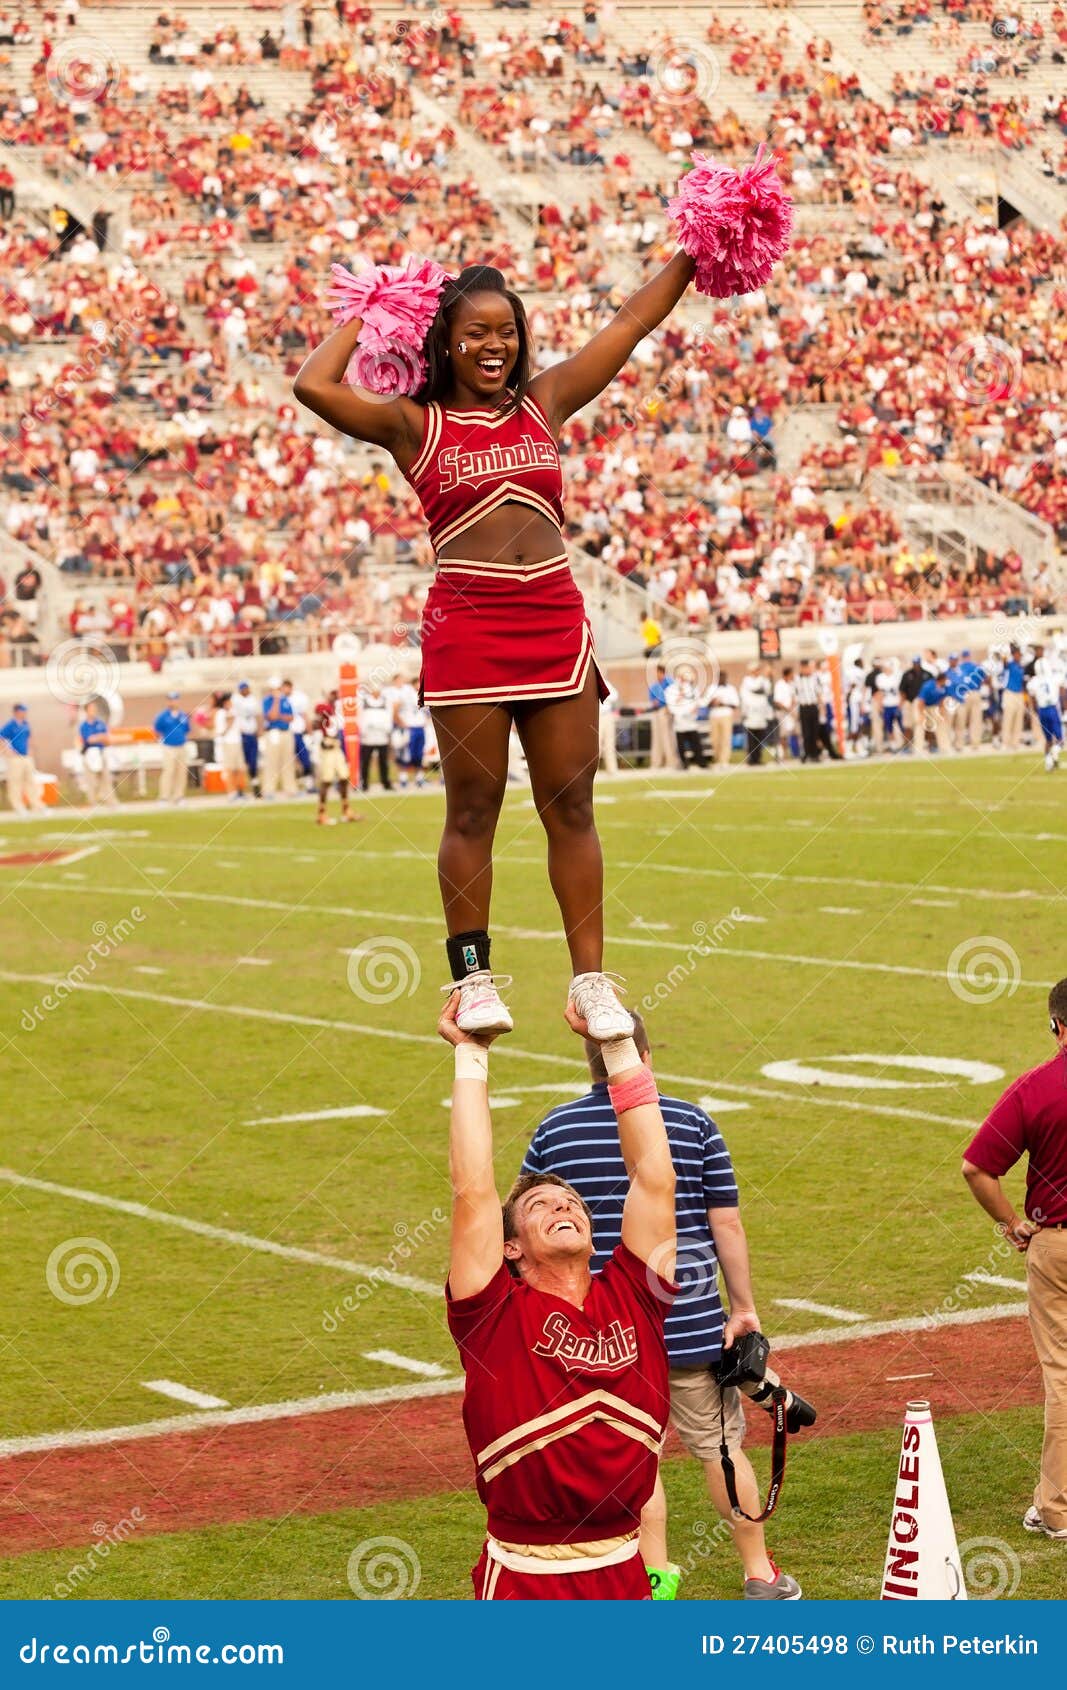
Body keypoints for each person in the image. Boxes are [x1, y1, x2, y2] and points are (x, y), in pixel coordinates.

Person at [294, 253, 697, 1039]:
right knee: (473, 809)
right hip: (468, 631)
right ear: (442, 340)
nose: (494, 346)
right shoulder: (412, 423)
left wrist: (689, 252)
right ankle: (473, 978)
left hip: (553, 621)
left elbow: (629, 323)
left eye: (506, 331)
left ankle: (590, 984)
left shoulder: (543, 403)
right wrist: (377, 308)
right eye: (475, 332)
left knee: (572, 806)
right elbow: (313, 386)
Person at [522, 1013, 802, 1601]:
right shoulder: (691, 1120)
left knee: (633, 1458)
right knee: (721, 1450)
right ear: (643, 1055)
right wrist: (744, 1307)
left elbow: (525, 1227)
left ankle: (654, 1581)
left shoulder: (556, 1127)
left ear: (589, 1063)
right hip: (690, 1316)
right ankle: (759, 1573)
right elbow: (725, 1220)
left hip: (601, 1327)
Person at [440, 991, 677, 1599]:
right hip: (526, 1577)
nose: (562, 1205)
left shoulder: (636, 1294)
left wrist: (619, 1044)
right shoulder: (492, 1314)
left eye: (571, 1202)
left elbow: (654, 1175)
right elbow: (473, 1190)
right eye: (540, 1206)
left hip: (625, 1569)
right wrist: (471, 1055)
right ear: (510, 1247)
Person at [962, 981, 1067, 1540]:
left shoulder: (1037, 1087)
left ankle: (1057, 1508)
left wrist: (1012, 1224)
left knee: (1063, 1376)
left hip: (1058, 1243)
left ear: (1058, 1027)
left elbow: (977, 1168)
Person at [313, 690, 361, 825]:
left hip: (336, 747)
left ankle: (346, 810)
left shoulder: (336, 711)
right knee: (326, 780)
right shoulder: (324, 710)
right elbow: (317, 721)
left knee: (344, 777)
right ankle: (321, 813)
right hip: (327, 747)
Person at [0, 703, 41, 811]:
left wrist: (31, 749)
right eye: (22, 711)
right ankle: (18, 806)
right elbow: (1, 737)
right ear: (16, 712)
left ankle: (36, 805)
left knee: (30, 781)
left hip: (26, 757)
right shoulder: (10, 725)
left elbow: (29, 737)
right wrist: (7, 751)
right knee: (15, 782)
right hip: (14, 759)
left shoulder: (26, 724)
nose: (24, 713)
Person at [261, 675, 295, 798]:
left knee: (288, 761)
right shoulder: (267, 700)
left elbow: (291, 717)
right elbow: (272, 716)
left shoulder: (285, 700)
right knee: (272, 762)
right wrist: (276, 701)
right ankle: (269, 790)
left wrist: (280, 716)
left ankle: (290, 789)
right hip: (273, 733)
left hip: (285, 732)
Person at [154, 690, 191, 804]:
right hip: (169, 747)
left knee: (181, 772)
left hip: (181, 746)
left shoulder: (183, 715)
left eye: (174, 699)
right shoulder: (162, 716)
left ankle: (178, 796)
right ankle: (164, 797)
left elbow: (186, 730)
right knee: (168, 771)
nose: (172, 702)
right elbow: (157, 730)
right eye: (170, 700)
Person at [358, 680, 394, 792]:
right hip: (367, 737)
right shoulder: (363, 702)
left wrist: (387, 731)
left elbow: (389, 716)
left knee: (383, 761)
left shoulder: (386, 701)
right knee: (365, 761)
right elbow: (359, 717)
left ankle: (385, 782)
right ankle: (364, 783)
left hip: (381, 735)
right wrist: (363, 730)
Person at [78, 699, 115, 806]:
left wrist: (98, 737)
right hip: (90, 754)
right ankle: (93, 802)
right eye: (91, 709)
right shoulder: (84, 725)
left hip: (100, 752)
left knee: (106, 779)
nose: (93, 711)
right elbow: (89, 739)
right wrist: (100, 737)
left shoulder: (100, 723)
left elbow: (107, 739)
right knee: (91, 781)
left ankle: (111, 802)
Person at [1028, 663, 1063, 772]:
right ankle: (1054, 753)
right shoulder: (1054, 678)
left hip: (1042, 710)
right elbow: (1062, 689)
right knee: (1060, 740)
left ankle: (1049, 763)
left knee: (1048, 740)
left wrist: (1034, 710)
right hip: (1052, 709)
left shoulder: (1034, 681)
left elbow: (1032, 696)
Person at [668, 668, 706, 769]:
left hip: (691, 721)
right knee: (681, 745)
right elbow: (671, 705)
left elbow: (697, 701)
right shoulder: (671, 689)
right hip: (679, 721)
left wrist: (694, 708)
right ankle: (684, 764)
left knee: (696, 743)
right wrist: (679, 696)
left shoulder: (692, 688)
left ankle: (701, 763)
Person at [739, 662, 775, 767]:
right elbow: (745, 696)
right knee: (751, 738)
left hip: (761, 713)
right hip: (751, 713)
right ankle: (751, 758)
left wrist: (769, 675)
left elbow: (768, 690)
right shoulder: (746, 681)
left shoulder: (763, 681)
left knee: (760, 738)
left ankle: (758, 758)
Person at [212, 691, 245, 798]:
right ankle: (231, 792)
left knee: (240, 768)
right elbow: (220, 732)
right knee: (229, 769)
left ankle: (240, 791)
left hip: (237, 742)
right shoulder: (220, 714)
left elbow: (241, 727)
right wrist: (229, 723)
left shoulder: (235, 712)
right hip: (228, 743)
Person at [648, 663, 679, 771]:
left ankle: (671, 762)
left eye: (658, 673)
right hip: (656, 712)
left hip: (666, 711)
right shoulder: (654, 686)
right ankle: (656, 762)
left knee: (668, 737)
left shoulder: (670, 683)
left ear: (662, 673)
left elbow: (673, 695)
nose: (657, 675)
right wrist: (655, 702)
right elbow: (652, 698)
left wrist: (663, 702)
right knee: (656, 738)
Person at [234, 680, 261, 797]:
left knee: (253, 761)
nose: (246, 690)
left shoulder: (253, 699)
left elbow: (257, 715)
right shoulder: (236, 700)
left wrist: (259, 730)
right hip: (241, 735)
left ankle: (255, 786)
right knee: (241, 763)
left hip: (252, 734)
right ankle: (240, 789)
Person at [707, 676, 739, 768]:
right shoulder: (711, 688)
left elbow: (735, 704)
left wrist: (723, 703)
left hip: (726, 714)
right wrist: (712, 702)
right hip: (714, 715)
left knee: (726, 738)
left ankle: (724, 760)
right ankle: (717, 759)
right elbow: (705, 703)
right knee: (715, 739)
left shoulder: (730, 688)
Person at [1000, 643, 1027, 751]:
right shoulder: (1010, 665)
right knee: (1008, 718)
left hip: (1019, 694)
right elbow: (1004, 661)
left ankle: (1015, 743)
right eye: (1016, 654)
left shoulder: (1021, 667)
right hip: (1010, 693)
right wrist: (1008, 649)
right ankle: (1005, 743)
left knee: (1018, 719)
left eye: (1019, 654)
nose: (1018, 656)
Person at [793, 660, 821, 762]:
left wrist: (822, 709)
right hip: (803, 707)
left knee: (814, 732)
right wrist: (794, 711)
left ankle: (815, 754)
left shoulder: (814, 678)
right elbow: (794, 696)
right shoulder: (797, 679)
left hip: (813, 706)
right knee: (806, 733)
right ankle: (806, 753)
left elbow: (818, 694)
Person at [598, 676, 619, 775]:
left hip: (608, 715)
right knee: (596, 745)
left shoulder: (606, 683)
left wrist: (605, 694)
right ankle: (594, 771)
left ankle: (612, 770)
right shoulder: (593, 684)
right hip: (597, 717)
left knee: (610, 744)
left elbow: (615, 696)